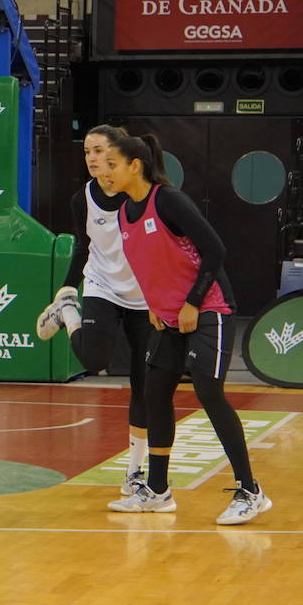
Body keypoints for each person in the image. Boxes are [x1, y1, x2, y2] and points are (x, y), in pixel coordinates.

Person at [101, 134, 271, 525]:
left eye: (112, 164)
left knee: (208, 391)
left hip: (208, 308)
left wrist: (194, 301)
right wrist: (156, 308)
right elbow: (148, 264)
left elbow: (215, 250)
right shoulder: (125, 211)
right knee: (154, 391)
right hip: (168, 317)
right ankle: (158, 491)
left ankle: (251, 490)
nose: (105, 172)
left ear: (134, 166)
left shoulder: (169, 201)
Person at [35, 125, 154, 495]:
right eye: (87, 151)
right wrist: (69, 286)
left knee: (145, 385)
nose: (91, 157)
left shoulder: (142, 194)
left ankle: (135, 470)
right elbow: (85, 246)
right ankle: (68, 311)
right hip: (103, 287)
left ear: (118, 155)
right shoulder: (81, 198)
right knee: (94, 358)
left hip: (144, 295)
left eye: (99, 150)